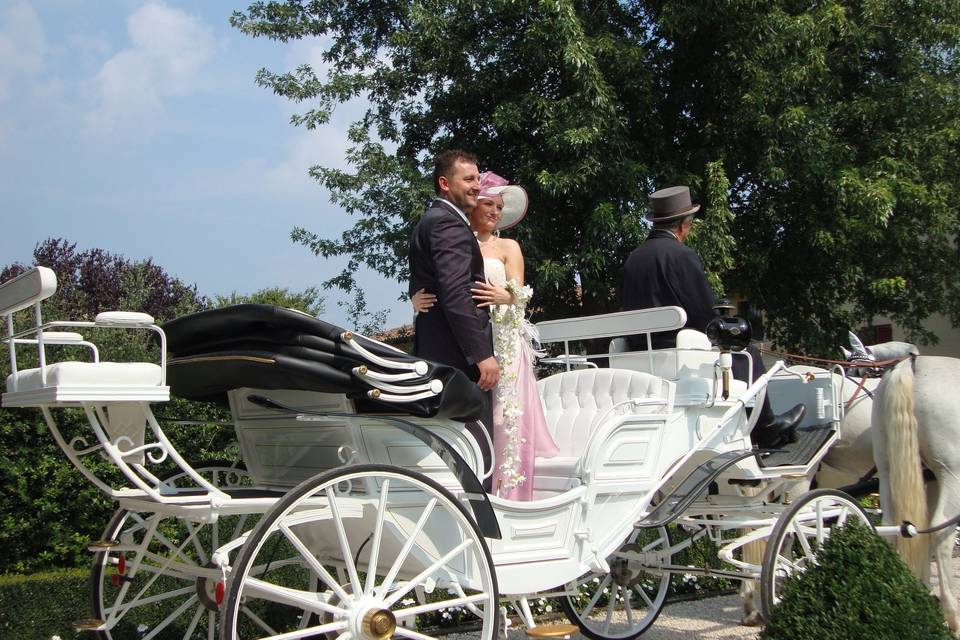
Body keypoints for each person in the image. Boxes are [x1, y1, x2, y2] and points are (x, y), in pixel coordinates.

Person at [413, 171, 559, 500]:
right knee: (479, 415)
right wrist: (415, 296)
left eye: (499, 207)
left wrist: (504, 297)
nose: (495, 212)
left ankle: (511, 490)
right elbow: (442, 284)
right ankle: (477, 484)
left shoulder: (509, 247)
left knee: (506, 416)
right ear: (474, 207)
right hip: (469, 340)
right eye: (489, 204)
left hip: (504, 341)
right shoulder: (455, 238)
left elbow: (521, 296)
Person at [621, 185, 803, 448]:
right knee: (747, 352)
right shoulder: (681, 255)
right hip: (680, 350)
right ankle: (765, 428)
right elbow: (704, 315)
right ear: (684, 225)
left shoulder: (633, 259)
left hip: (637, 350)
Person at [408, 150, 500, 479]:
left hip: (436, 353)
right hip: (457, 360)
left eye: (477, 178)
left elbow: (426, 282)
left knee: (448, 449)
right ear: (445, 183)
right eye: (469, 179)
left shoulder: (430, 220)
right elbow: (455, 292)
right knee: (475, 448)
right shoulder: (447, 223)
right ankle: (481, 523)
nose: (477, 186)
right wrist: (481, 354)